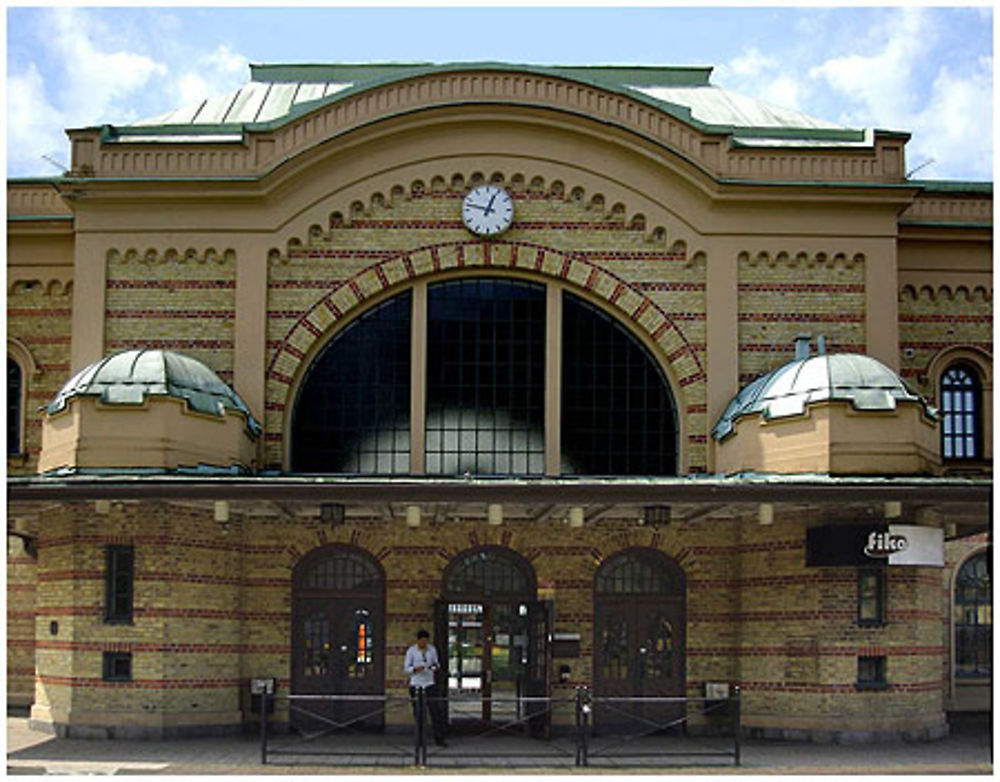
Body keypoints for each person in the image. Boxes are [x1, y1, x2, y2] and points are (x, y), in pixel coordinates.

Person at [404, 629, 447, 746]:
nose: (424, 643)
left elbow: (436, 663)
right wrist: (415, 669)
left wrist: (433, 667)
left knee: (435, 712)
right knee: (419, 713)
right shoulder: (411, 651)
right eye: (422, 641)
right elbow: (406, 669)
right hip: (416, 684)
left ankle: (439, 738)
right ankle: (420, 740)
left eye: (425, 641)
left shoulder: (432, 650)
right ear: (418, 641)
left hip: (429, 683)